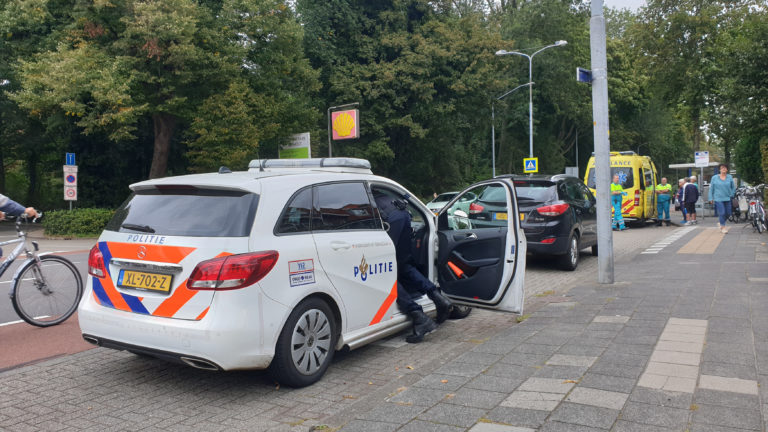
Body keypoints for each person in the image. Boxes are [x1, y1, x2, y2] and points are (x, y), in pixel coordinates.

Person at [373, 191, 454, 343]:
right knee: (403, 265)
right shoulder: (374, 188)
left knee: (382, 270)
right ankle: (438, 298)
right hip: (401, 213)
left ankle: (417, 314)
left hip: (388, 218)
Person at [708, 163, 736, 234]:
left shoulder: (729, 177)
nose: (724, 169)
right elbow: (711, 189)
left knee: (729, 213)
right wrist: (710, 198)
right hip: (718, 198)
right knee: (722, 212)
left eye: (725, 168)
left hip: (728, 198)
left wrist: (732, 194)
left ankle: (720, 222)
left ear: (727, 169)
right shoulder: (714, 178)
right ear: (719, 169)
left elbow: (733, 187)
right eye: (722, 168)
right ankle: (723, 227)